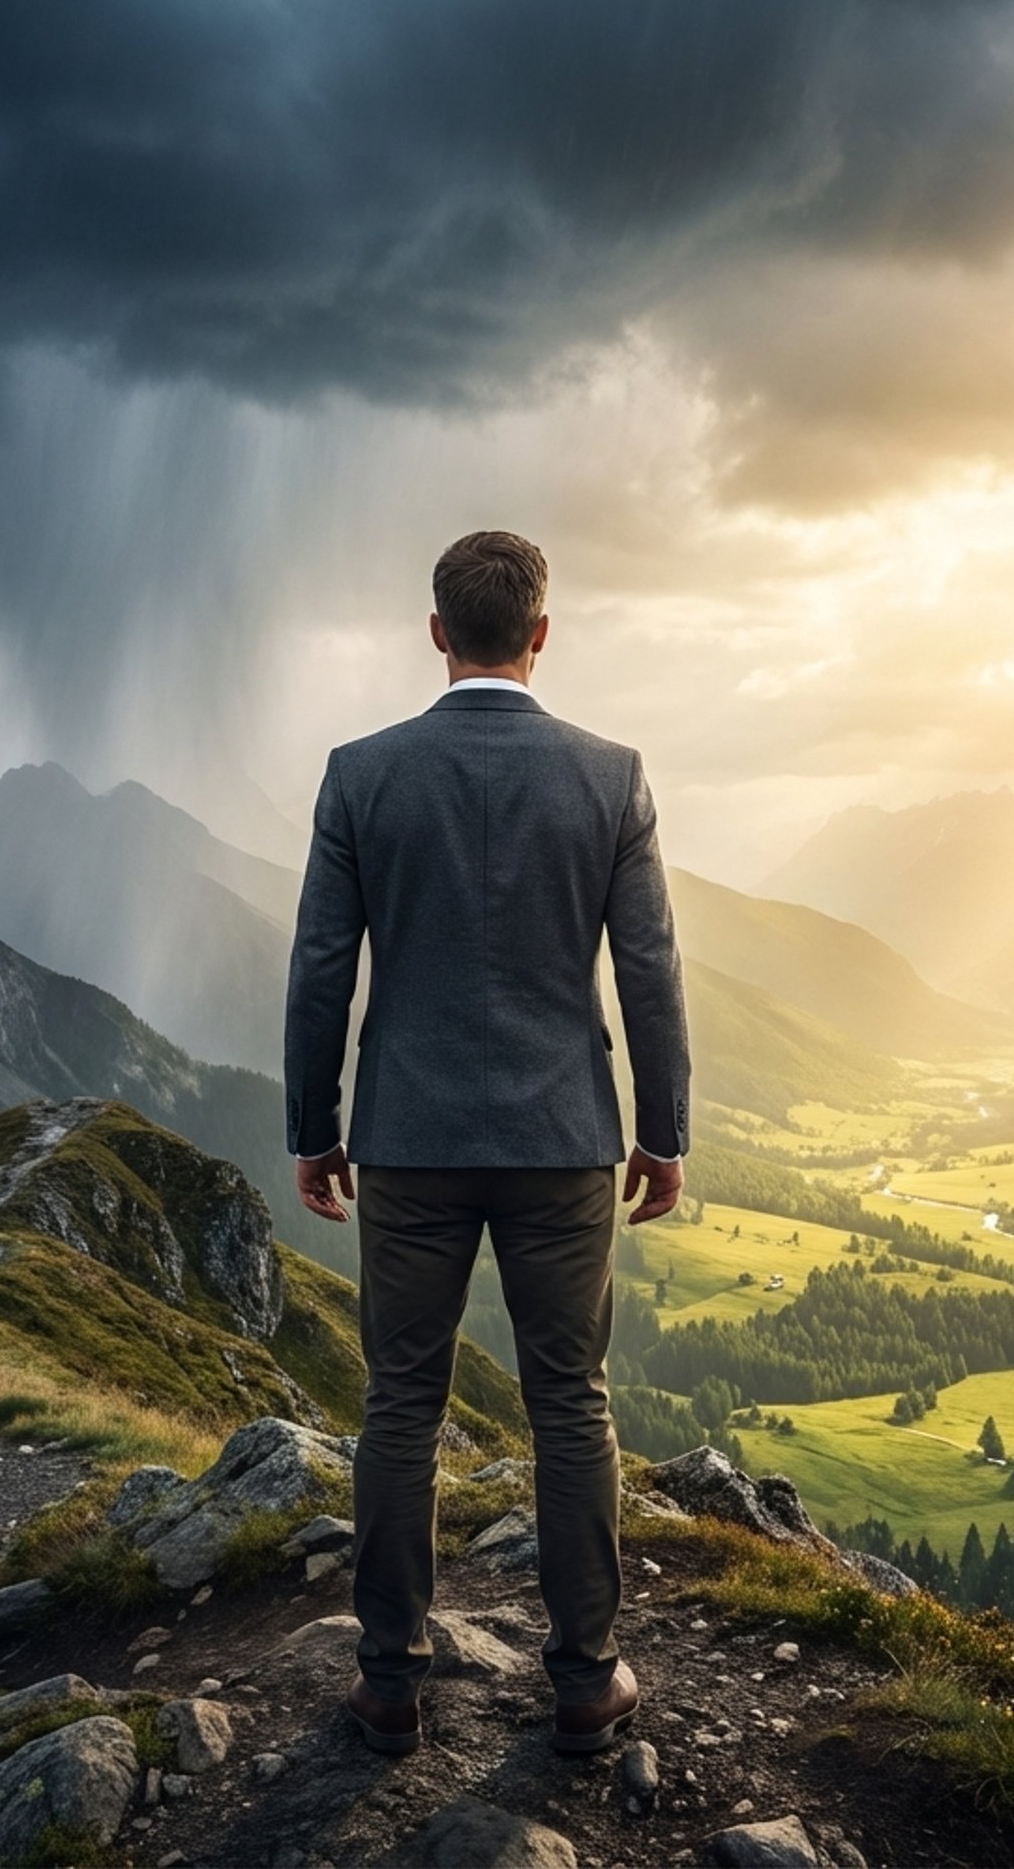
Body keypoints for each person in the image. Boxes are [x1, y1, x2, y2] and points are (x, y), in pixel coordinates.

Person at [285, 528, 690, 1757]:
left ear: (437, 633)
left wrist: (314, 1129)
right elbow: (650, 971)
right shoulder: (611, 777)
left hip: (408, 1139)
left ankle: (388, 1685)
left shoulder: (361, 775)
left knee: (400, 1404)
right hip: (564, 1139)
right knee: (571, 1403)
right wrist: (662, 1132)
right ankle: (587, 1682)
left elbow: (321, 968)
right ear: (542, 634)